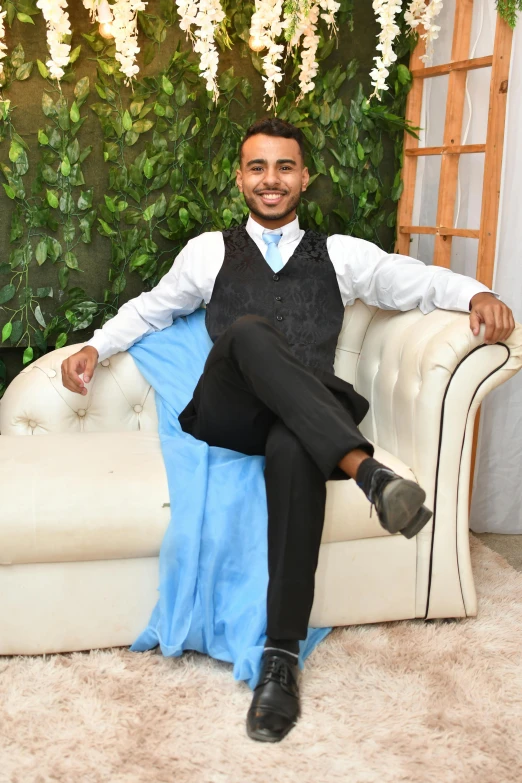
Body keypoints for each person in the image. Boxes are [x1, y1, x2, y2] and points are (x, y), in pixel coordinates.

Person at [61, 118, 515, 743]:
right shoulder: (208, 252)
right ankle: (367, 470)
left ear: (304, 177)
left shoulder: (342, 256)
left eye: (283, 168)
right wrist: (95, 345)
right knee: (248, 330)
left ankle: (280, 660)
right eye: (257, 168)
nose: (270, 180)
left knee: (295, 447)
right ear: (241, 178)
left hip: (303, 421)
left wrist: (477, 292)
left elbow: (418, 281)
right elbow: (152, 307)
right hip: (228, 412)